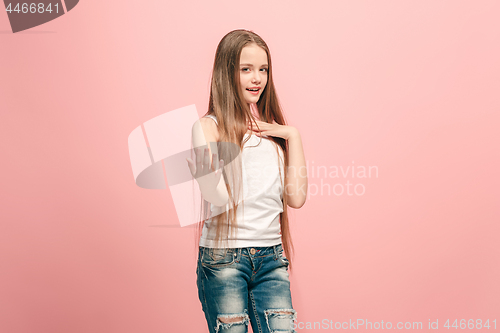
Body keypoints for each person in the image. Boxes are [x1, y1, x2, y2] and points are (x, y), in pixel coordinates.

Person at [186, 29, 307, 333]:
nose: (257, 78)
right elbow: (218, 199)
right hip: (225, 258)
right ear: (227, 73)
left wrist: (293, 136)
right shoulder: (208, 128)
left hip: (272, 256)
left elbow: (296, 198)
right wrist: (206, 169)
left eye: (263, 69)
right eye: (246, 69)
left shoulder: (274, 134)